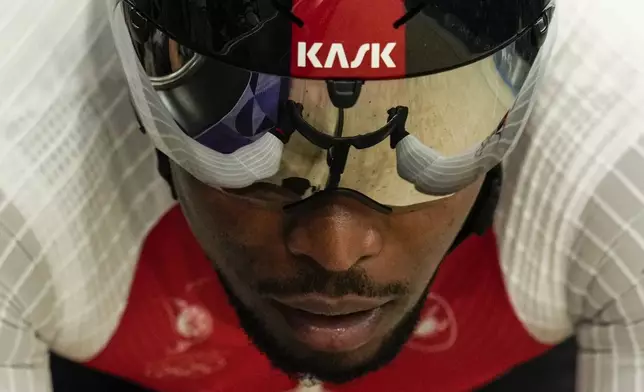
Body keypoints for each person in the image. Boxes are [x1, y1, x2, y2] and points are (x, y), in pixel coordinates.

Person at [0, 0, 643, 391]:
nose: (335, 251)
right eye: (258, 140)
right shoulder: (18, 178)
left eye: (422, 125)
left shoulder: (620, 146)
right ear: (143, 95)